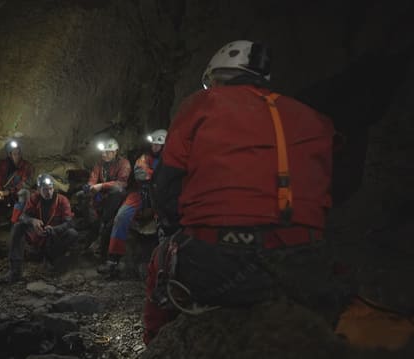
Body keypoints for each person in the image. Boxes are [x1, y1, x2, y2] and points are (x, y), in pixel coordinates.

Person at [143, 40, 337, 344]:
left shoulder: (202, 105)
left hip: (222, 261)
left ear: (217, 77)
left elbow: (166, 185)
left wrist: (174, 228)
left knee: (161, 259)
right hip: (304, 262)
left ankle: (156, 343)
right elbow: (332, 186)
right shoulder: (312, 117)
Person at [97, 129, 167, 277]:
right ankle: (113, 261)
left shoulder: (171, 159)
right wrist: (157, 177)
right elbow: (141, 173)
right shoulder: (144, 158)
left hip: (162, 196)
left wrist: (155, 178)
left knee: (166, 221)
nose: (154, 147)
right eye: (153, 144)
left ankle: (163, 265)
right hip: (142, 193)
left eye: (158, 145)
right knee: (121, 216)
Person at [6, 174, 78, 283]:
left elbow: (69, 222)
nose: (48, 192)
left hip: (53, 237)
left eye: (50, 189)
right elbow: (23, 216)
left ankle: (52, 260)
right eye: (45, 189)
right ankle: (15, 271)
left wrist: (54, 229)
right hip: (37, 236)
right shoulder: (34, 198)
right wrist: (33, 221)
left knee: (72, 233)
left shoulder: (62, 200)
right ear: (39, 190)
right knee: (18, 227)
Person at [77, 138, 131, 259]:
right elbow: (94, 177)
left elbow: (121, 183)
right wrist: (90, 186)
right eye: (103, 152)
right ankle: (91, 225)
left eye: (107, 152)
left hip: (116, 196)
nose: (103, 154)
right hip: (102, 194)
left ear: (115, 152)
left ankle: (104, 222)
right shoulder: (100, 163)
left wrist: (102, 186)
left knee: (117, 191)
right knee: (81, 195)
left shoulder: (124, 163)